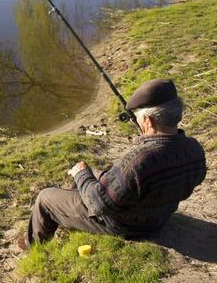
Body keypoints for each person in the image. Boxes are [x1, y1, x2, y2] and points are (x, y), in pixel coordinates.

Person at [21, 79, 207, 248]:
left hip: (126, 225)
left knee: (46, 198)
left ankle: (34, 245)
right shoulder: (195, 149)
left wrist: (81, 174)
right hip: (159, 217)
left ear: (149, 121)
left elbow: (100, 204)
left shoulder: (139, 159)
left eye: (140, 119)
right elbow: (192, 178)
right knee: (92, 173)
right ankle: (72, 218)